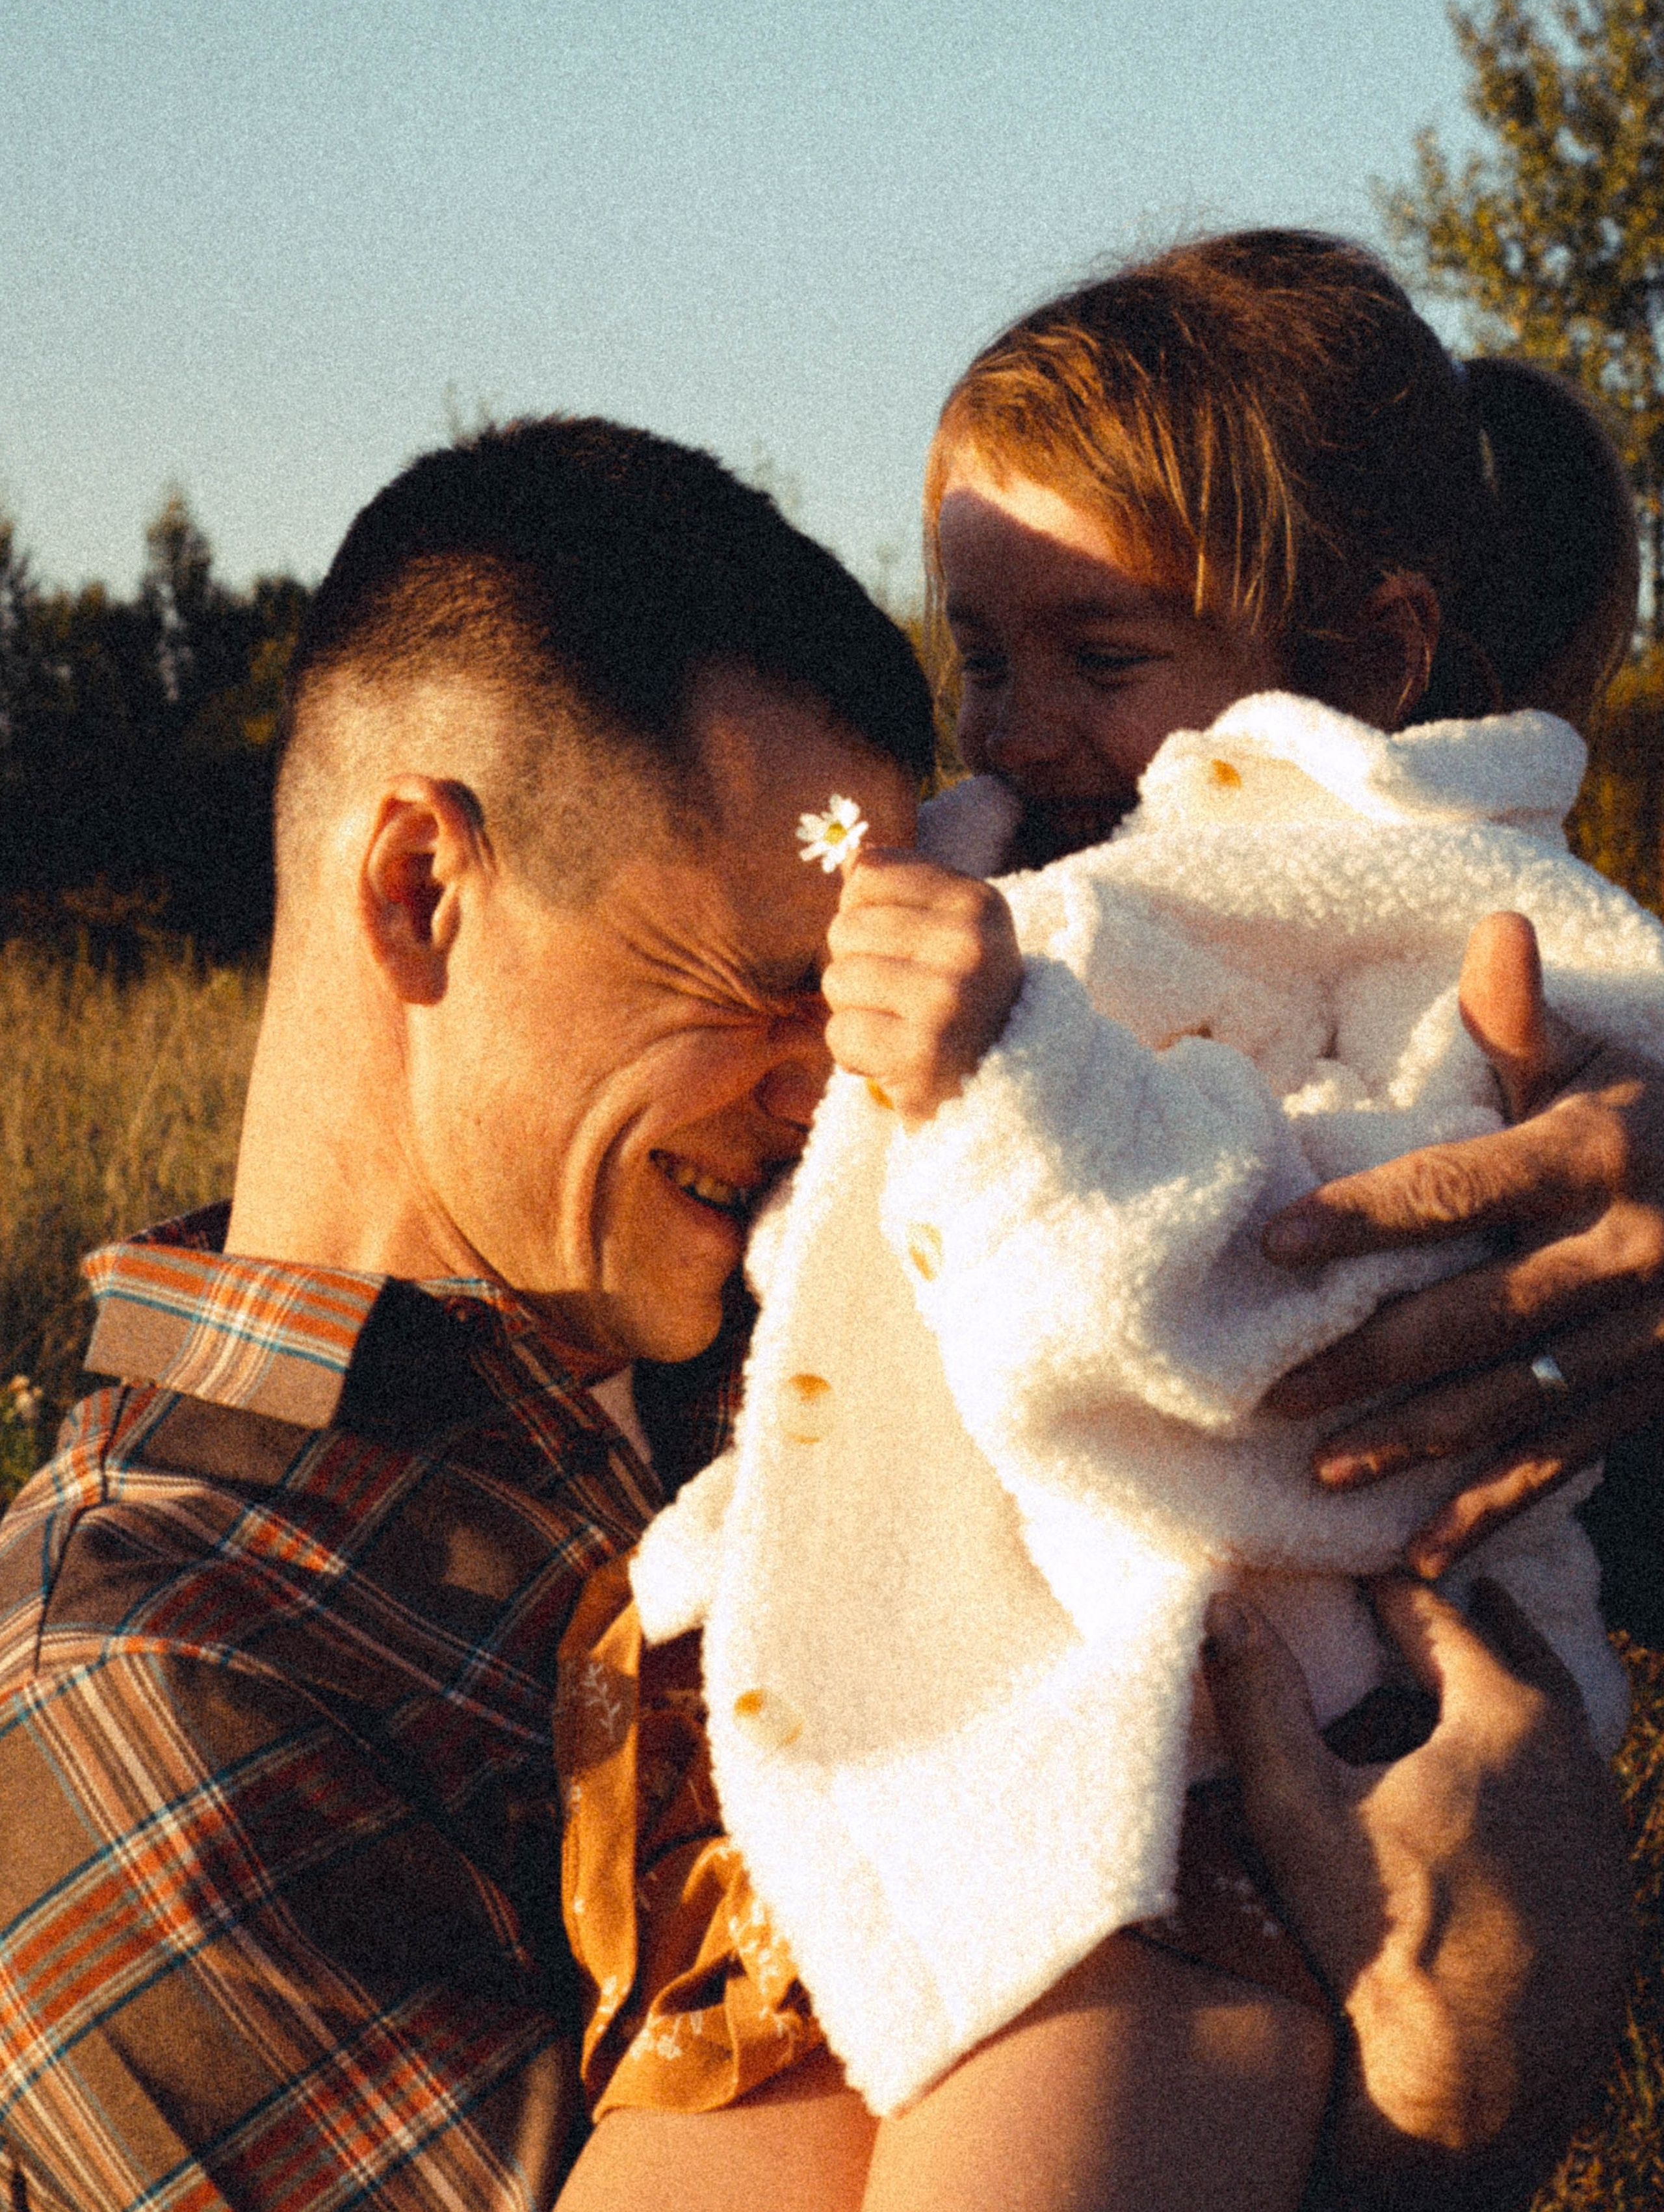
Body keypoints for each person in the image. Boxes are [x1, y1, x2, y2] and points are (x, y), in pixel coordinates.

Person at [0, 412, 1632, 2212]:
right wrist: (1454, 2104)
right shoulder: (147, 1683)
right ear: (420, 889)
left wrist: (1579, 1186)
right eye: (772, 989)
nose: (840, 1089)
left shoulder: (836, 1305)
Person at [558, 236, 1654, 2207]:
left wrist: (1009, 1074)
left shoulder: (1423, 914)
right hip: (854, 1761)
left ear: (1370, 659)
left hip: (1188, 1789)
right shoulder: (1020, 882)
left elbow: (1329, 1320)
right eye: (981, 653)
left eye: (1103, 657)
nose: (1018, 724)